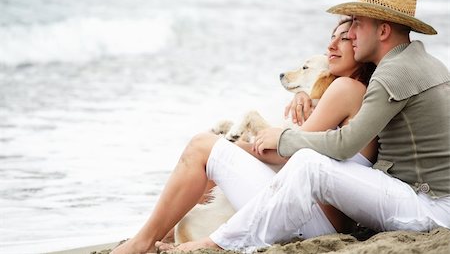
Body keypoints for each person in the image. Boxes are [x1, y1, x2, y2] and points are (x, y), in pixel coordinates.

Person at [159, 0, 450, 253]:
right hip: (428, 200)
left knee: (310, 165)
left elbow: (345, 144)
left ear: (384, 30)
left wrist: (283, 138)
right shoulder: (422, 63)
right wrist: (306, 95)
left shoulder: (394, 74)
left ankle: (218, 243)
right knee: (308, 164)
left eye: (358, 25)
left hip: (426, 207)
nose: (351, 33)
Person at [111, 16, 378, 254]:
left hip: (307, 218)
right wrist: (303, 94)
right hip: (313, 214)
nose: (332, 46)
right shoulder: (356, 92)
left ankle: (143, 242)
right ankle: (160, 235)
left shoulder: (346, 88)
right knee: (212, 162)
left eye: (345, 40)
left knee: (201, 147)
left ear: (359, 48)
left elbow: (288, 153)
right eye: (331, 39)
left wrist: (234, 147)